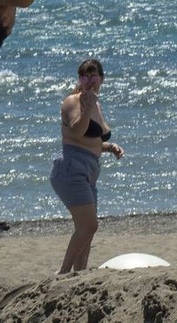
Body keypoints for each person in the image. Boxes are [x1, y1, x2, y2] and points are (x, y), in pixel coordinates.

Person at [49, 59, 124, 275]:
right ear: (79, 79)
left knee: (86, 230)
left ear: (101, 79)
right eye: (84, 76)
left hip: (89, 169)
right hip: (71, 167)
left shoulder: (97, 105)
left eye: (93, 76)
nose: (89, 81)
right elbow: (76, 133)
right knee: (89, 225)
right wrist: (88, 104)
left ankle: (79, 273)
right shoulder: (73, 101)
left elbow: (91, 141)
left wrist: (109, 147)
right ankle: (63, 272)